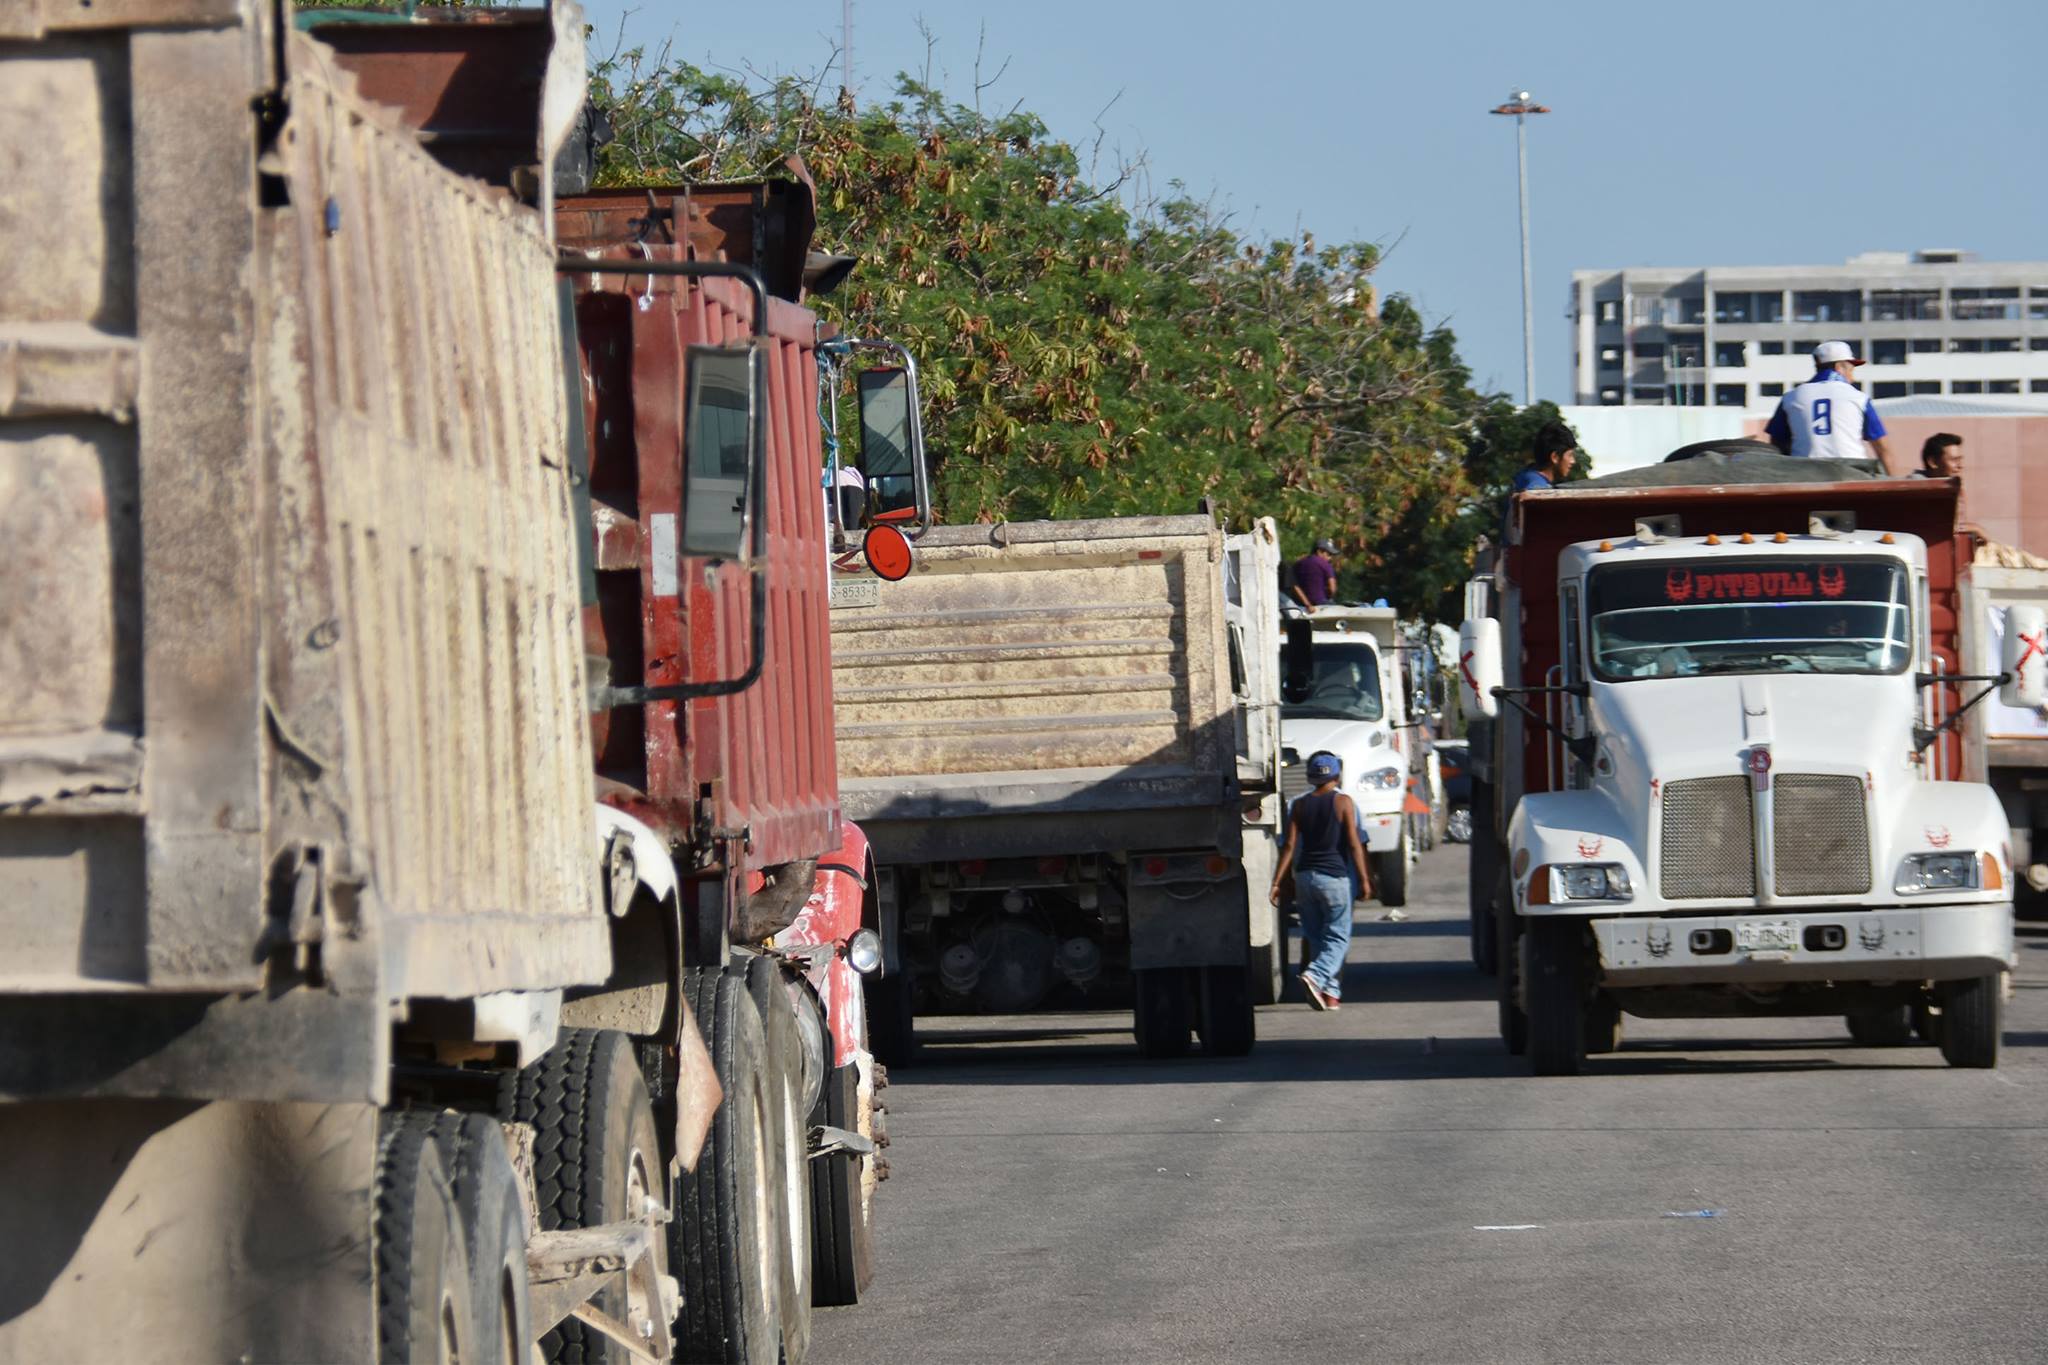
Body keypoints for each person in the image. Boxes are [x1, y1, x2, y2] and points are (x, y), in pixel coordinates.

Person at [1270, 750, 1372, 1011]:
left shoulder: (1299, 805)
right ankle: (1316, 975)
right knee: (1337, 938)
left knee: (1315, 937)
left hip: (1305, 878)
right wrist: (1364, 879)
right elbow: (1354, 843)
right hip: (1334, 878)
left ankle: (1329, 994)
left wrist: (1278, 882)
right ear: (1336, 775)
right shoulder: (1344, 802)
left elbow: (1290, 845)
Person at [1764, 341, 1892, 464]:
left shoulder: (1790, 397)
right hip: (1852, 473)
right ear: (1838, 367)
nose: (1853, 378)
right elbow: (1883, 449)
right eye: (1851, 370)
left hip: (1804, 474)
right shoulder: (1858, 397)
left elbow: (1776, 444)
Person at [1289, 539, 1339, 613]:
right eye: (1329, 554)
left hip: (1300, 604)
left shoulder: (1298, 564)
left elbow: (1293, 584)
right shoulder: (1326, 565)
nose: (1330, 558)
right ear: (1319, 551)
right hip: (1321, 603)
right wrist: (1328, 595)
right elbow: (1332, 589)